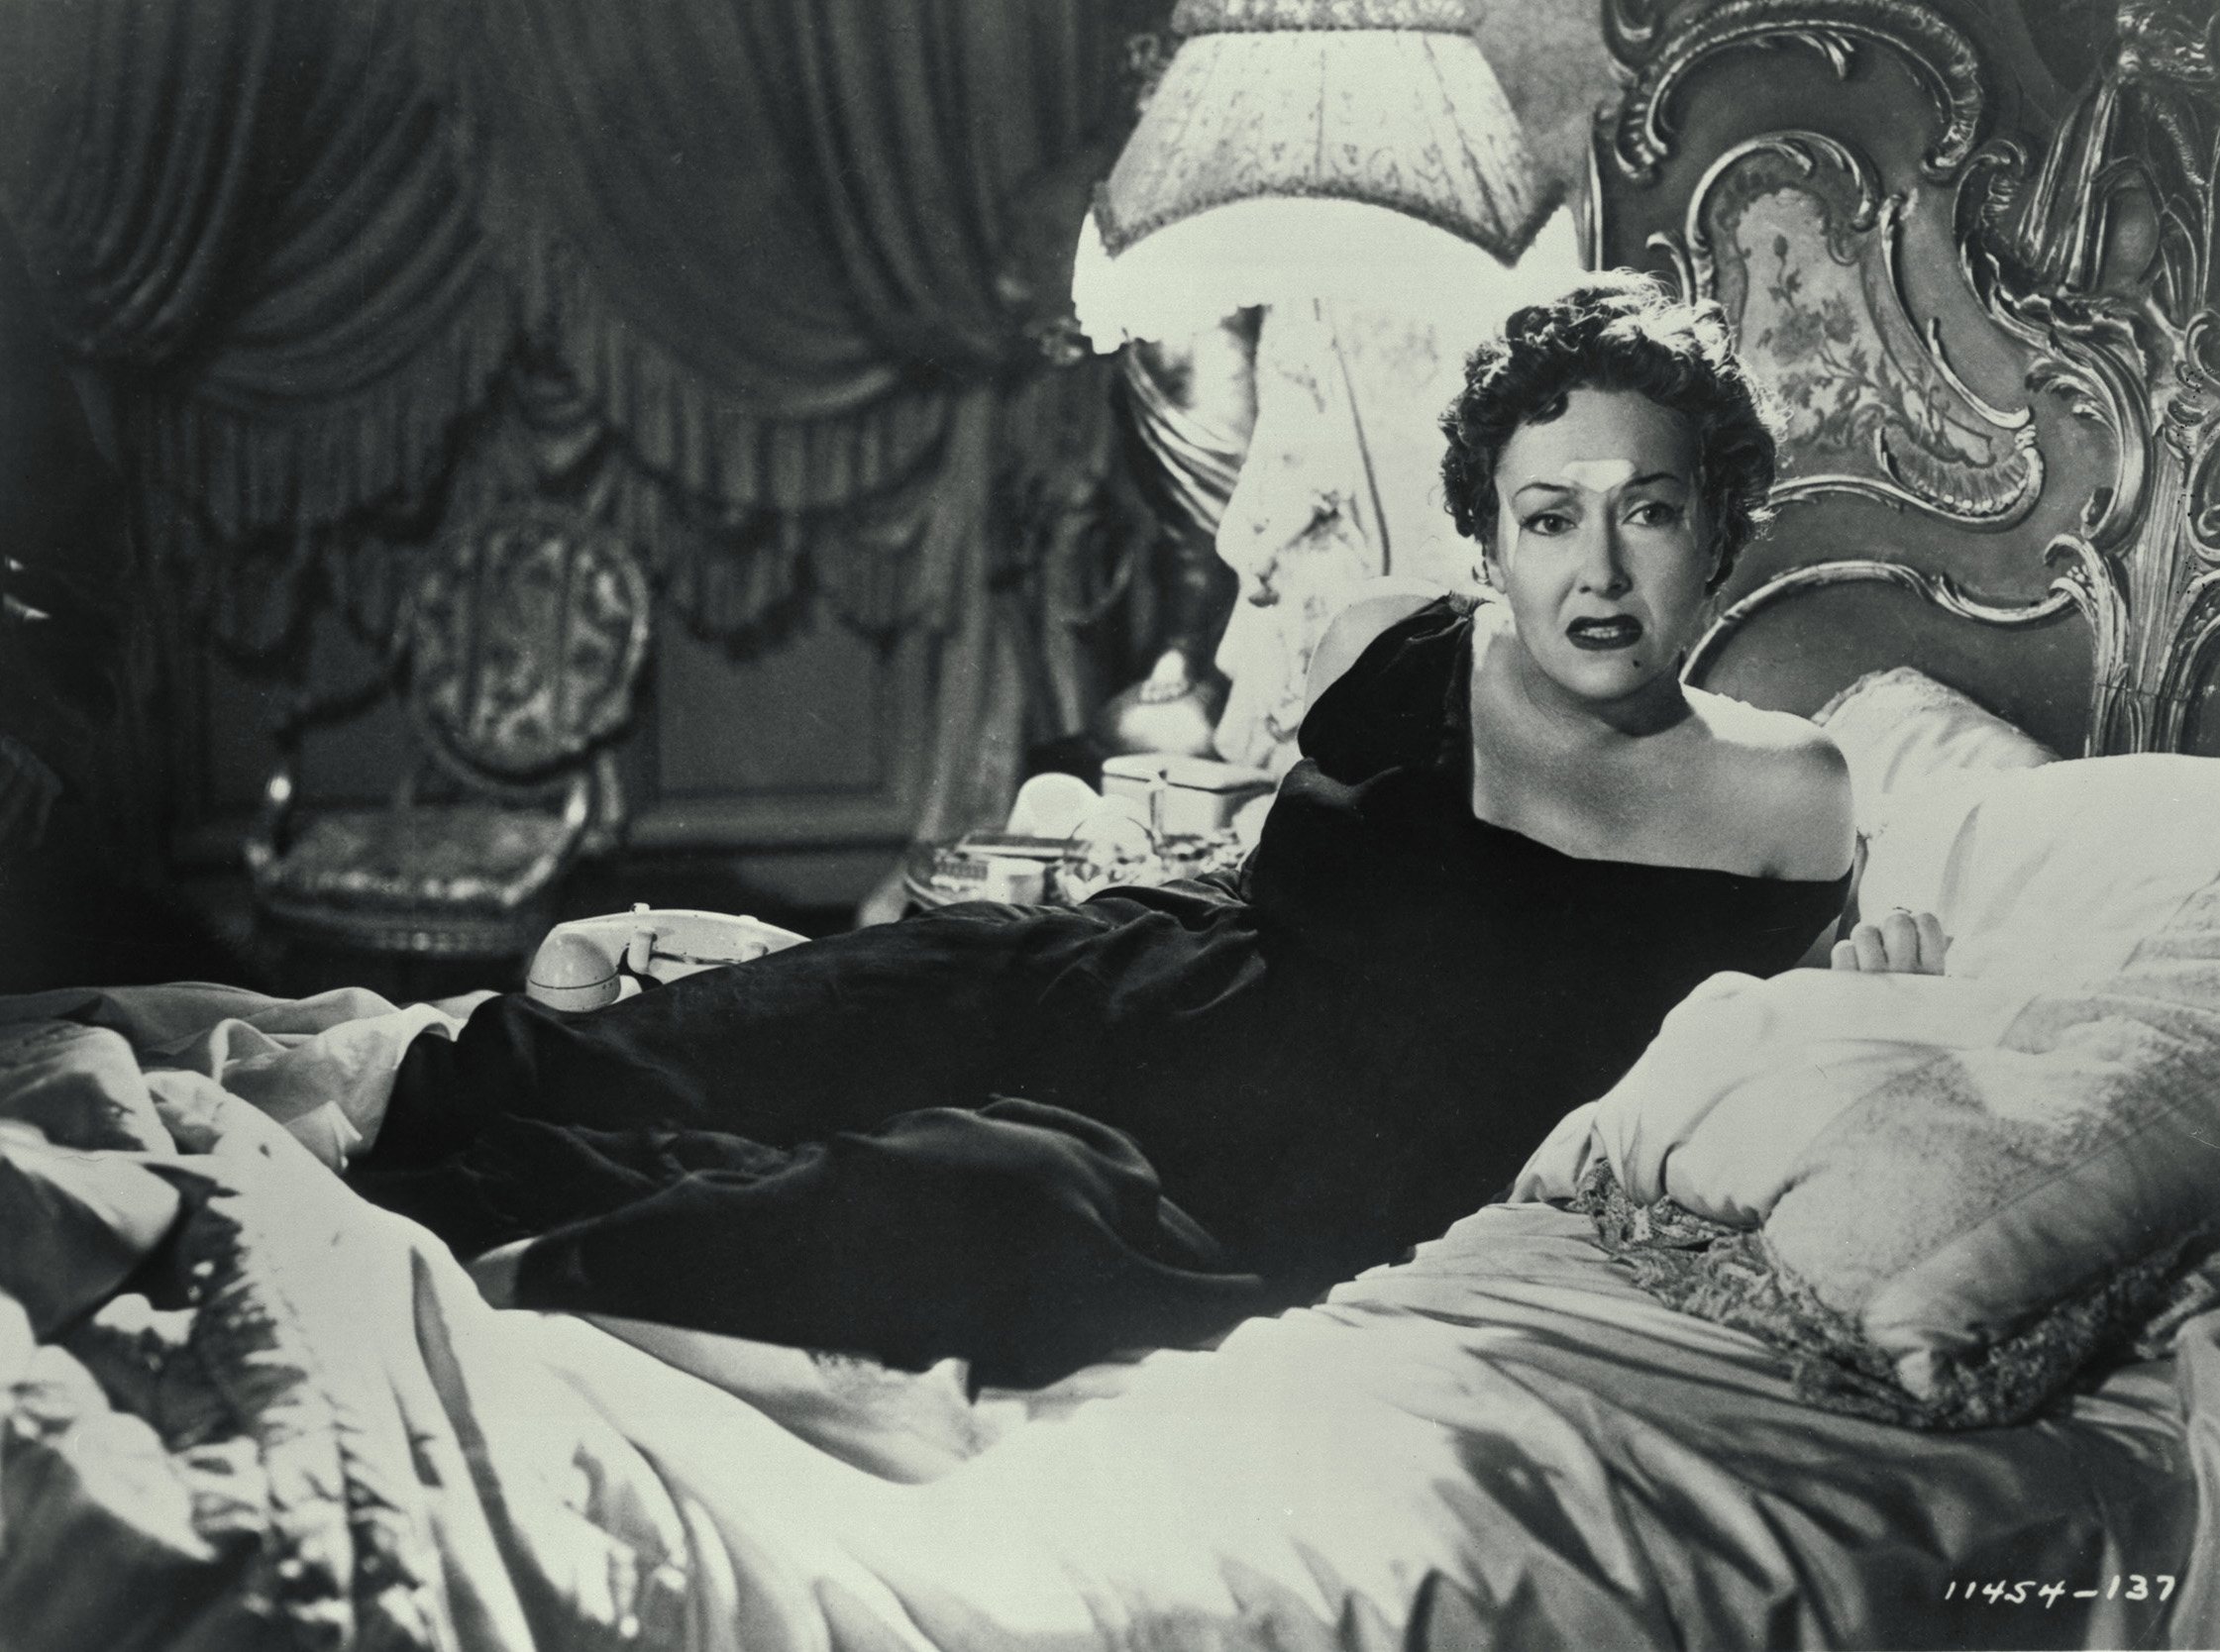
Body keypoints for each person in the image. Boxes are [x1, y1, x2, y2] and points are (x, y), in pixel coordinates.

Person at [355, 276, 1898, 1389]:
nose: (1599, 570)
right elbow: (1269, 859)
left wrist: (1878, 986)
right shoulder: (1387, 643)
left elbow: (1774, 1053)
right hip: (1114, 993)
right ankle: (371, 1134)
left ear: (1720, 523)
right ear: (1489, 533)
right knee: (768, 1028)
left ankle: (444, 1281)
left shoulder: (1791, 793)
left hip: (1266, 1199)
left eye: (1648, 509)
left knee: (954, 1192)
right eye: (1548, 515)